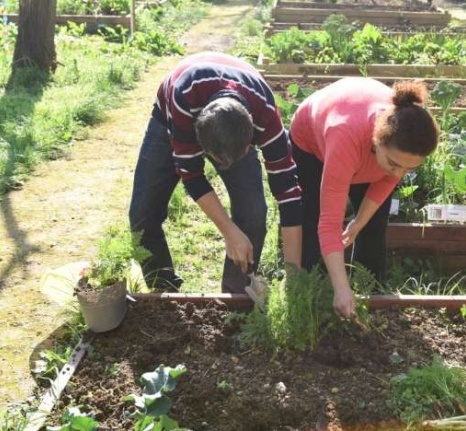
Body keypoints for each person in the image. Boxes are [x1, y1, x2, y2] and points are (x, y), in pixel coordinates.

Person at [129, 52, 302, 293]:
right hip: (174, 112)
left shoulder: (266, 116)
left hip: (238, 108)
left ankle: (237, 297)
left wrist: (294, 277)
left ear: (250, 136)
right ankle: (164, 292)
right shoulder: (184, 97)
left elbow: (289, 194)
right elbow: (191, 175)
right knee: (142, 216)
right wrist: (230, 232)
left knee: (253, 213)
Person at [289, 77, 439, 318]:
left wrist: (358, 222)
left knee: (374, 226)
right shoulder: (345, 136)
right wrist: (341, 288)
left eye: (409, 169)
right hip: (312, 143)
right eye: (395, 163)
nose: (399, 174)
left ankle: (374, 296)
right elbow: (329, 223)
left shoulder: (405, 138)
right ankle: (316, 295)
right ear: (377, 142)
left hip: (362, 138)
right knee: (313, 217)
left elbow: (388, 178)